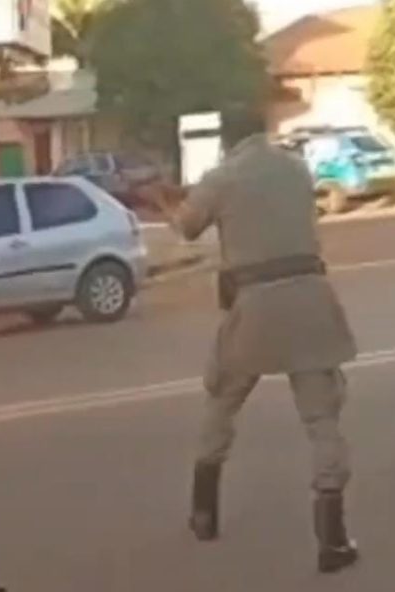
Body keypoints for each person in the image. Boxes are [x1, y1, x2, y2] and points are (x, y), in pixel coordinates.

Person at [146, 104, 360, 574]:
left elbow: (188, 226)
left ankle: (204, 513)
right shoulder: (296, 169)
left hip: (255, 306)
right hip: (309, 298)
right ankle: (332, 538)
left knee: (222, 400)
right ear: (264, 130)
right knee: (321, 419)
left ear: (228, 139)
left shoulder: (223, 176)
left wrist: (165, 200)